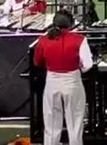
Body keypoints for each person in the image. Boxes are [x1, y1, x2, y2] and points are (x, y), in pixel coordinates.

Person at [32, 10, 93, 145]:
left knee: (51, 122)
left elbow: (37, 62)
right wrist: (79, 68)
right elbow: (88, 65)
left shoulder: (44, 39)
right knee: (75, 122)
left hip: (52, 81)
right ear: (71, 24)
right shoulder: (79, 39)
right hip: (72, 81)